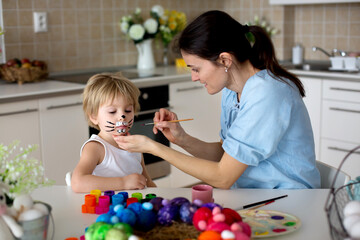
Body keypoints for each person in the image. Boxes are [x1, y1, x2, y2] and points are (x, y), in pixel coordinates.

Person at [114, 10, 320, 189]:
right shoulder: (232, 90)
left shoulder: (267, 93)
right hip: (256, 195)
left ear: (224, 60)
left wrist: (155, 148)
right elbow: (226, 154)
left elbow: (223, 177)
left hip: (289, 200)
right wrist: (182, 139)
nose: (194, 77)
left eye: (196, 69)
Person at [71, 72, 156, 193]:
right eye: (112, 111)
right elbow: (77, 183)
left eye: (128, 110)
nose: (122, 117)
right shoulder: (95, 147)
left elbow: (148, 182)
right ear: (94, 116)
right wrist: (124, 182)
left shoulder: (134, 145)